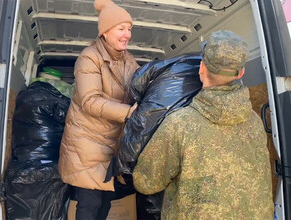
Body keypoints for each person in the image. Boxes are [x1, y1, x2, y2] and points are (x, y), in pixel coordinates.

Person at [133, 30, 274, 219]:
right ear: (241, 72)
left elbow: (145, 181)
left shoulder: (179, 124)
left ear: (201, 68)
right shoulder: (255, 122)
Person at [58, 0, 139, 219]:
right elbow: (90, 101)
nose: (127, 34)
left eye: (129, 29)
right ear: (105, 32)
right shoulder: (89, 58)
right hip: (87, 143)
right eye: (121, 28)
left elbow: (141, 84)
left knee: (105, 203)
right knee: (89, 204)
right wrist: (128, 112)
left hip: (111, 143)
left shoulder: (128, 59)